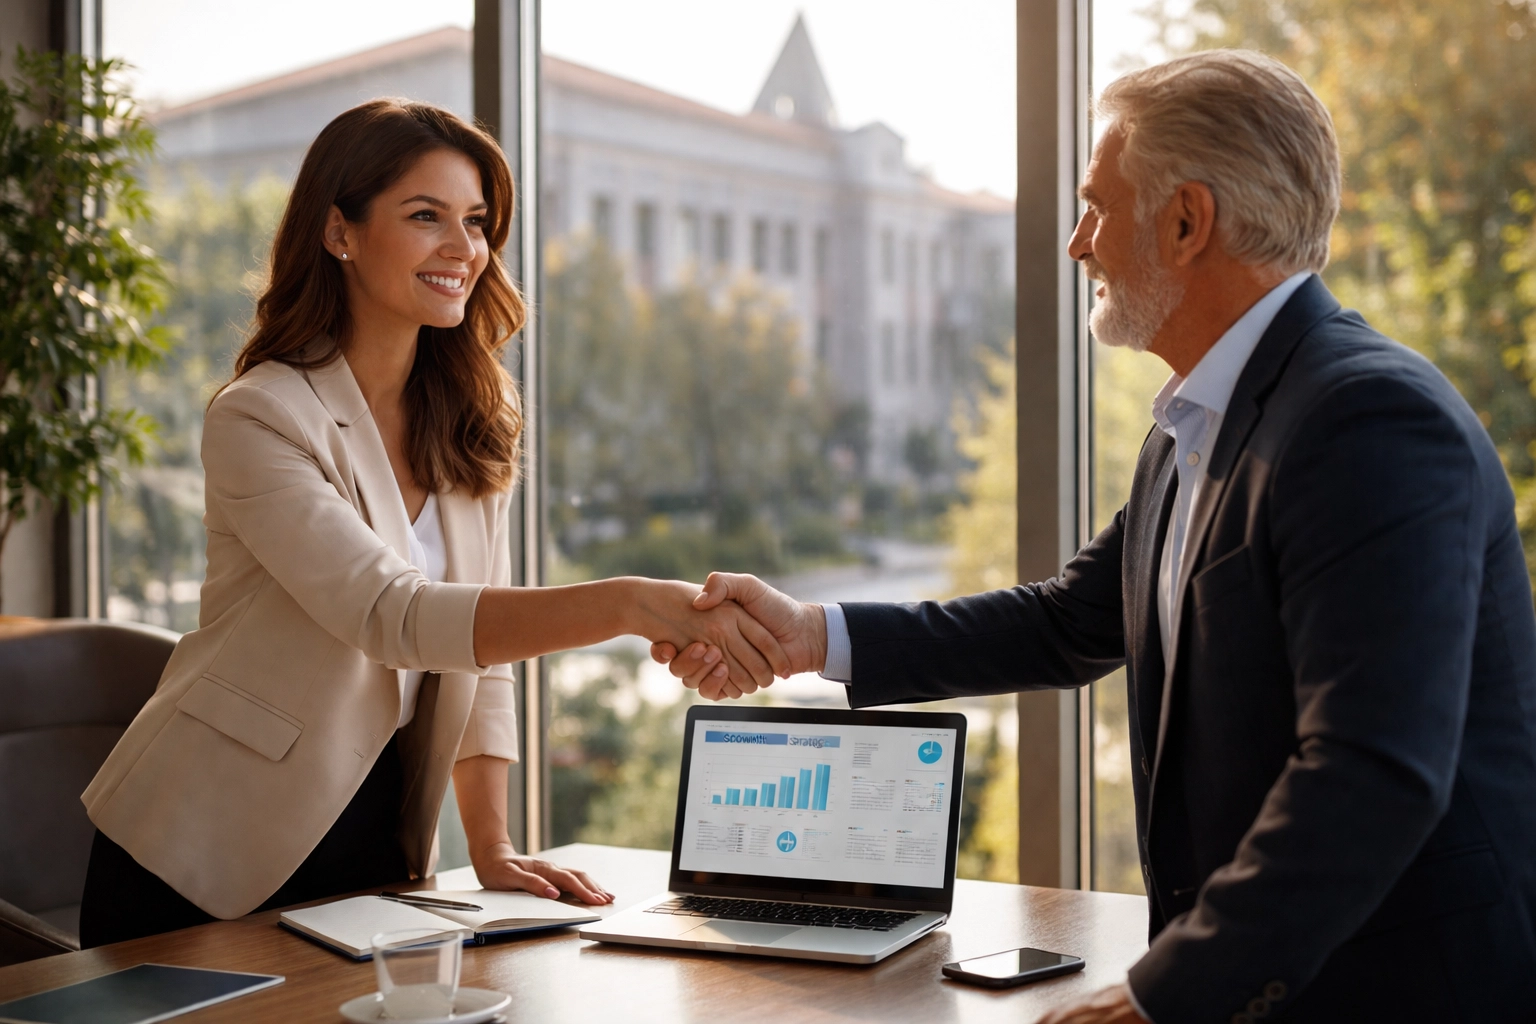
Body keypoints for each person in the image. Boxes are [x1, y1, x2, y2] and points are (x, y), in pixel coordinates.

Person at [654, 50, 1536, 1023]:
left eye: (1097, 207)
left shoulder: (1366, 420)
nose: (1078, 244)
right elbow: (1069, 620)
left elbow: (1371, 771)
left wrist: (1161, 996)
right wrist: (809, 636)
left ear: (1187, 221)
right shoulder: (1190, 426)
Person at [79, 99, 786, 948]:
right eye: (426, 217)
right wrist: (631, 606)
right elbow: (396, 616)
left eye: (477, 222)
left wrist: (491, 844)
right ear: (340, 232)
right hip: (201, 844)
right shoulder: (259, 416)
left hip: (379, 841)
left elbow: (479, 657)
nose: (464, 248)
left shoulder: (476, 417)